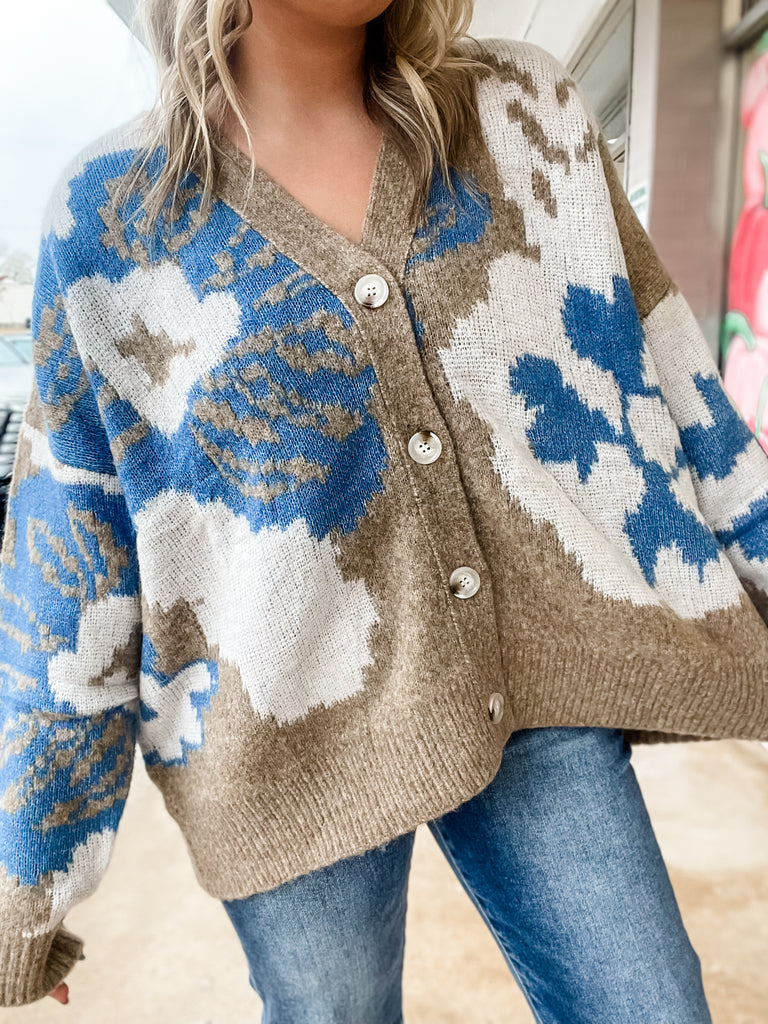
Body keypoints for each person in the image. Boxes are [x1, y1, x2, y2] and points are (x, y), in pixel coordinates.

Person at [2, 0, 768, 1019]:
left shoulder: (522, 111)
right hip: (284, 749)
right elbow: (68, 572)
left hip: (531, 686)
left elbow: (675, 382)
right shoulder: (108, 221)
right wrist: (30, 883)